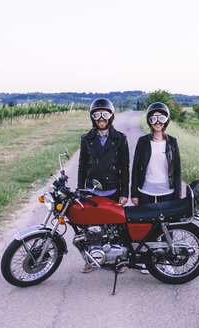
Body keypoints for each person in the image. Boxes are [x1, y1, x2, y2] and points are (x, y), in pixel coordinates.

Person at [78, 98, 129, 273]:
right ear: (92, 117)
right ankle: (91, 259)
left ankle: (117, 260)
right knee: (91, 226)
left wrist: (125, 192)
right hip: (92, 190)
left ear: (111, 116)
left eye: (105, 114)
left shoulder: (120, 139)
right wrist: (80, 189)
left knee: (114, 227)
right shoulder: (86, 140)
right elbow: (82, 166)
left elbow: (125, 167)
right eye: (97, 115)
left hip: (113, 189)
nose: (101, 118)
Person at [131, 102, 181, 205]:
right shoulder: (142, 141)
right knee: (146, 220)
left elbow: (177, 169)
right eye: (154, 119)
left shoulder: (172, 142)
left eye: (161, 118)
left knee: (166, 221)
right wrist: (134, 194)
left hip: (167, 192)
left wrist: (178, 196)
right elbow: (135, 168)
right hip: (145, 191)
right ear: (149, 121)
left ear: (166, 120)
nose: (157, 122)